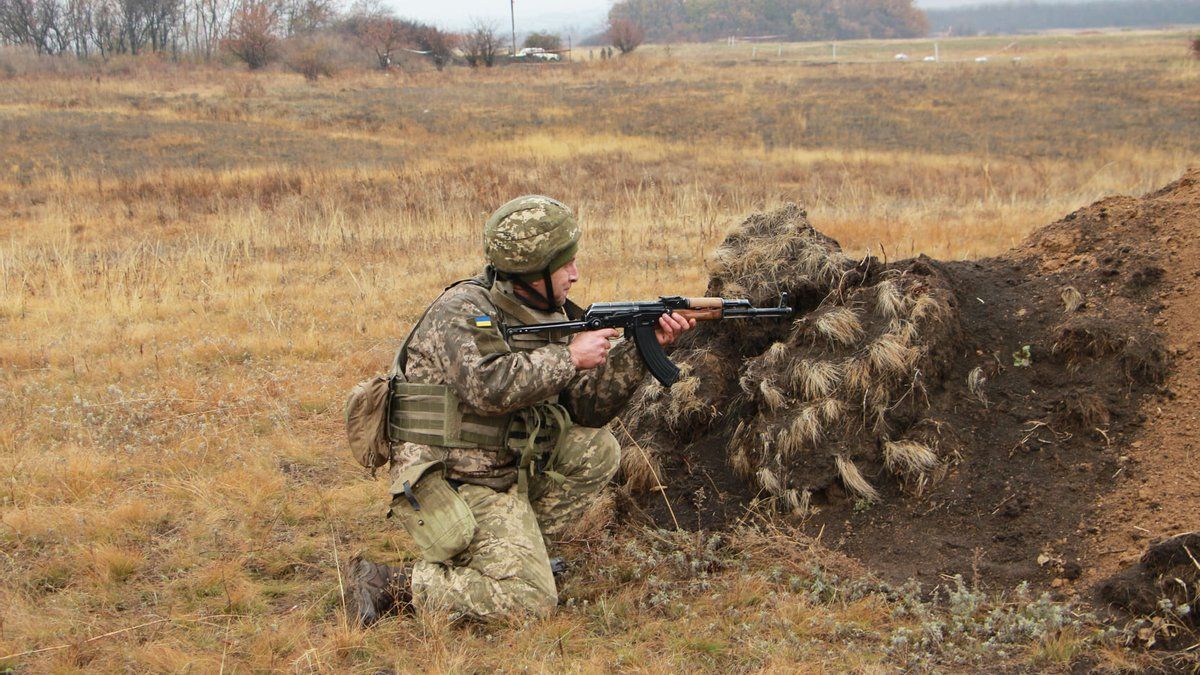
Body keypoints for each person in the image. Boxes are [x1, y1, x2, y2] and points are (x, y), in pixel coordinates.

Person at [347, 195, 694, 625]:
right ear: (531, 267)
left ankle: (516, 554)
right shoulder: (462, 311)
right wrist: (569, 357)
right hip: (457, 476)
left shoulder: (546, 310)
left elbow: (584, 407)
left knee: (596, 449)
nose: (576, 274)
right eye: (565, 265)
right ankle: (393, 583)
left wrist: (643, 352)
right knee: (530, 602)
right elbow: (488, 388)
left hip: (506, 463)